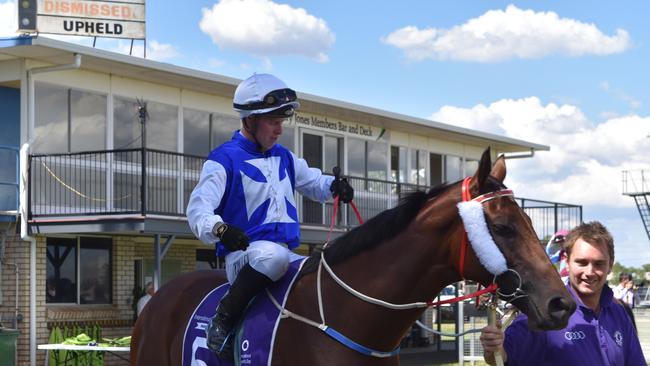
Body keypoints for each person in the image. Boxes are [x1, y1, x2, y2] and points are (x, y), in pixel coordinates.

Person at [186, 73, 354, 359]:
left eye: (281, 123)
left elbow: (312, 182)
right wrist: (221, 229)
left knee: (320, 271)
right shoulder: (223, 159)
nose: (279, 130)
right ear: (250, 120)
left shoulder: (284, 156)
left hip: (284, 256)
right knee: (271, 257)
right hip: (245, 257)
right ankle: (223, 318)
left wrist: (333, 186)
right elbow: (197, 209)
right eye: (273, 122)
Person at [480, 221, 646, 365]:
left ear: (610, 265)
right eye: (582, 262)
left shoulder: (618, 314)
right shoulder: (546, 310)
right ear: (566, 261)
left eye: (599, 264)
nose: (590, 272)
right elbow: (503, 356)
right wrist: (494, 348)